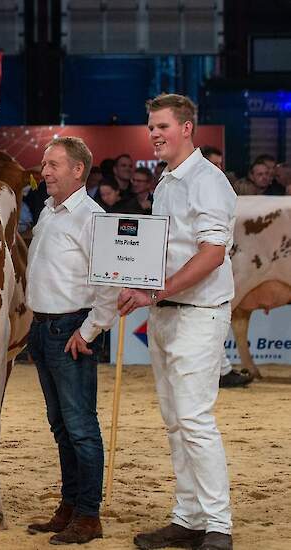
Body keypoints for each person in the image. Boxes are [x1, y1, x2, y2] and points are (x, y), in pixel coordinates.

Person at [119, 94, 236, 550]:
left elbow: (212, 254)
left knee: (194, 419)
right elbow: (161, 251)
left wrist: (154, 290)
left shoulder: (208, 180)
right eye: (151, 127)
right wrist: (134, 282)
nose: (154, 134)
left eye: (163, 126)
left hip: (199, 312)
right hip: (167, 314)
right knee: (175, 420)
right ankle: (188, 517)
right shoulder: (167, 181)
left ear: (187, 128)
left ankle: (218, 526)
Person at [25, 136, 116, 545]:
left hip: (70, 330)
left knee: (81, 427)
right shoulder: (48, 211)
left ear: (78, 170)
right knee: (61, 426)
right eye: (45, 165)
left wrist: (89, 330)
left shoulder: (92, 217)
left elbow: (110, 284)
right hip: (44, 329)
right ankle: (69, 505)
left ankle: (88, 515)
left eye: (53, 165)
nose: (44, 172)